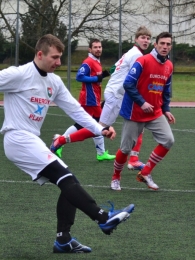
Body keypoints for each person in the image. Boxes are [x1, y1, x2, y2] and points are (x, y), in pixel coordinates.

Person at [0, 34, 134, 253]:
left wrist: (99, 128)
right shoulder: (18, 74)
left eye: (60, 57)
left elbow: (75, 110)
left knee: (69, 182)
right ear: (40, 54)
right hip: (17, 138)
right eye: (54, 57)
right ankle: (103, 217)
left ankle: (63, 240)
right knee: (66, 178)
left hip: (31, 140)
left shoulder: (53, 81)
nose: (59, 62)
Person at [50, 27, 152, 190]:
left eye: (148, 38)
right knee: (104, 128)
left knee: (119, 126)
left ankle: (132, 159)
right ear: (136, 39)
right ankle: (132, 159)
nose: (146, 40)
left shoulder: (132, 53)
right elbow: (136, 79)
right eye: (143, 37)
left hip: (117, 93)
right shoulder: (136, 55)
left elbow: (115, 69)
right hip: (118, 94)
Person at [111, 32, 175, 191]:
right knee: (125, 149)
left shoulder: (169, 66)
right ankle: (116, 177)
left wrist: (166, 109)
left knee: (168, 140)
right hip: (135, 112)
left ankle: (145, 173)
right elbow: (128, 84)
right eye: (162, 43)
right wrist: (142, 102)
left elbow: (166, 90)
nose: (165, 47)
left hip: (155, 112)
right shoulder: (143, 61)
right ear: (156, 44)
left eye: (168, 44)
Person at [52, 38, 115, 161]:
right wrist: (96, 78)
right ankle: (59, 142)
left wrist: (101, 76)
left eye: (100, 47)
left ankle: (60, 142)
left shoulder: (97, 61)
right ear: (90, 49)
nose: (98, 49)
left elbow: (96, 77)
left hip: (94, 99)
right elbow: (79, 77)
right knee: (97, 124)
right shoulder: (88, 62)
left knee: (90, 124)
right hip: (89, 99)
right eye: (95, 47)